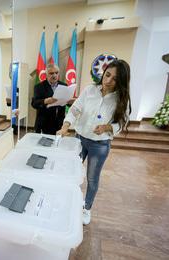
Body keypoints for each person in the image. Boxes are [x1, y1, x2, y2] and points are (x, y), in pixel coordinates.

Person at [57, 59, 131, 225]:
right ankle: (67, 201)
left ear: (121, 82)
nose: (108, 81)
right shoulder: (90, 90)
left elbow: (121, 123)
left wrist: (107, 127)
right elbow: (75, 109)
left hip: (100, 145)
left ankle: (86, 208)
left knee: (92, 178)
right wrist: (65, 126)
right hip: (80, 139)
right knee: (71, 172)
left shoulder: (121, 99)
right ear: (103, 73)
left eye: (114, 79)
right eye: (107, 75)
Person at [31, 64, 73, 134]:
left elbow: (65, 103)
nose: (54, 75)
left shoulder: (64, 85)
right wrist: (45, 101)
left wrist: (70, 102)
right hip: (44, 123)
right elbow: (34, 103)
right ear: (46, 75)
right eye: (51, 73)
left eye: (56, 73)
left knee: (58, 144)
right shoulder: (39, 87)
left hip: (59, 123)